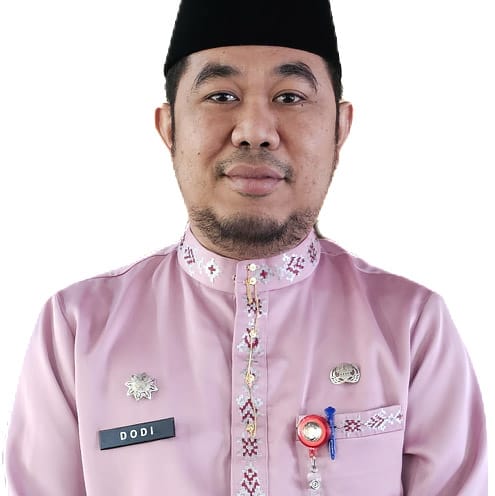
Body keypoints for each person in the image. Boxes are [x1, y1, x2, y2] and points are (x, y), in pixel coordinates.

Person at [5, 0, 487, 494]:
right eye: (221, 95)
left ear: (340, 128)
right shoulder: (78, 329)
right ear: (169, 127)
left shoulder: (410, 326)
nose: (255, 132)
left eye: (291, 96)